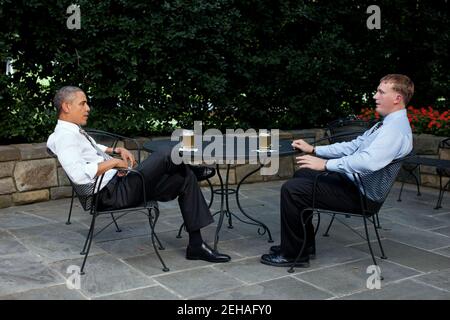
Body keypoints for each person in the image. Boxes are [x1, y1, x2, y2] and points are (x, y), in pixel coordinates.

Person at [47, 86, 231, 263]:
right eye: (82, 103)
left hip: (119, 185)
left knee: (184, 178)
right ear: (66, 106)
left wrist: (115, 150)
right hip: (111, 195)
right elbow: (78, 174)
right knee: (166, 152)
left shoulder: (68, 131)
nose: (87, 108)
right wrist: (114, 163)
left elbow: (89, 149)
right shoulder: (65, 136)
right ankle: (192, 168)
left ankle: (196, 246)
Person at [261, 74, 414, 267]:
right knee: (303, 174)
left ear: (397, 98)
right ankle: (302, 245)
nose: (375, 96)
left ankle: (293, 255)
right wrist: (315, 150)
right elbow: (354, 146)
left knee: (293, 190)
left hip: (362, 197)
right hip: (353, 183)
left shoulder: (395, 130)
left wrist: (325, 164)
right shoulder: (386, 124)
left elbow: (368, 162)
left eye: (381, 92)